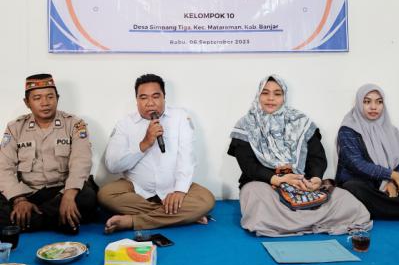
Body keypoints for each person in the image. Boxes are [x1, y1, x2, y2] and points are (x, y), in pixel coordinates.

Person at [227, 75, 371, 237]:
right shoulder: (245, 125)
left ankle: (288, 224)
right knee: (255, 195)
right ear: (258, 96)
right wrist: (279, 179)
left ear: (284, 97)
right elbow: (248, 166)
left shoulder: (300, 122)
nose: (271, 98)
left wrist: (316, 178)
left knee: (345, 200)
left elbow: (317, 156)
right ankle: (312, 221)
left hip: (301, 183)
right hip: (266, 184)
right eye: (265, 93)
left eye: (277, 93)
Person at [98, 73, 215, 233]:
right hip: (137, 189)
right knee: (105, 194)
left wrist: (180, 191)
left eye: (156, 96)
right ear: (137, 100)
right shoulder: (124, 124)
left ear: (164, 97)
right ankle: (182, 215)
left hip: (172, 188)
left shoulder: (180, 117)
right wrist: (144, 143)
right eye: (143, 98)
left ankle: (132, 221)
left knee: (206, 200)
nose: (150, 103)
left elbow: (187, 157)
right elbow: (112, 165)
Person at [0, 74, 97, 234]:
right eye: (37, 98)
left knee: (87, 197)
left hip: (60, 191)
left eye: (50, 97)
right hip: (27, 191)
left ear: (57, 98)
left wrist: (69, 195)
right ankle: (58, 220)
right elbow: (4, 168)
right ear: (27, 103)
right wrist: (19, 200)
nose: (45, 103)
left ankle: (25, 221)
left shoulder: (74, 124)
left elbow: (81, 161)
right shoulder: (15, 128)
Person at [336, 84, 399, 220]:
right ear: (359, 103)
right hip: (366, 188)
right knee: (353, 188)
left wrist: (393, 183)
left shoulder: (392, 131)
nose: (374, 107)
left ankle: (389, 209)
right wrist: (392, 175)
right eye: (367, 101)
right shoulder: (348, 130)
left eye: (379, 102)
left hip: (392, 189)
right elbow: (357, 164)